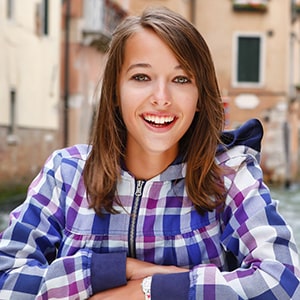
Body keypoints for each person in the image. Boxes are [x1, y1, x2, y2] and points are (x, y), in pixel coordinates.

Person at [0, 6, 299, 300]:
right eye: (141, 77)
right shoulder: (65, 174)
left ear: (199, 97)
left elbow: (283, 279)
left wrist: (149, 290)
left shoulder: (229, 174)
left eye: (181, 79)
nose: (161, 98)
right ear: (115, 92)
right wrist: (115, 270)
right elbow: (7, 278)